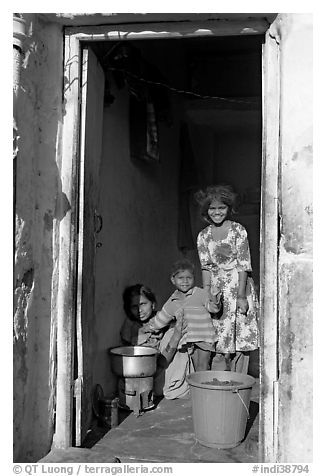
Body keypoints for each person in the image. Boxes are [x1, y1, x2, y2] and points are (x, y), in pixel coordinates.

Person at [195, 184, 259, 370]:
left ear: (229, 208)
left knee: (240, 340)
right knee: (218, 339)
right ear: (206, 210)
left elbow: (243, 266)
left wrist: (241, 297)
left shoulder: (238, 230)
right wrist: (207, 295)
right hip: (218, 291)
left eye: (221, 208)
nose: (217, 212)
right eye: (212, 208)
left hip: (238, 286)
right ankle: (219, 384)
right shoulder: (204, 236)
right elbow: (206, 267)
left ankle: (238, 384)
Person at [143, 259, 220, 372]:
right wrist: (148, 327)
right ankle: (195, 389)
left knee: (202, 366)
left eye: (189, 278)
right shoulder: (173, 300)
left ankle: (201, 388)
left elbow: (213, 308)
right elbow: (162, 318)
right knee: (194, 368)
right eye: (180, 278)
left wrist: (214, 298)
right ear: (173, 280)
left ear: (194, 278)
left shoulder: (200, 293)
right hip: (189, 340)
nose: (185, 281)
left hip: (205, 337)